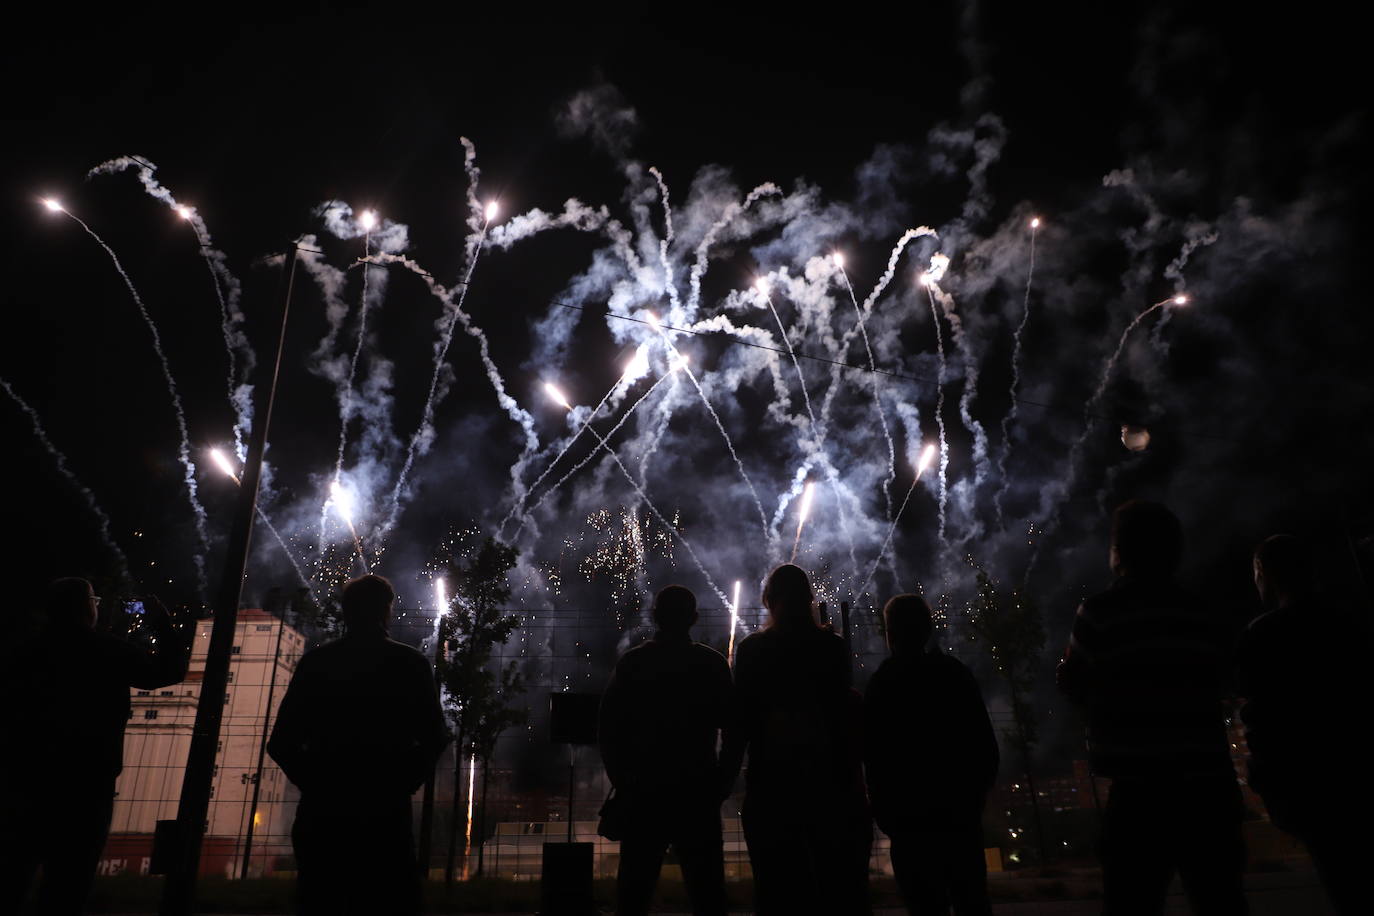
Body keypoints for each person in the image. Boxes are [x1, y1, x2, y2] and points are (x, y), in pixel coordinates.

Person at [1057, 500, 1247, 915]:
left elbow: (1071, 683)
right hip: (1208, 783)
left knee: (1132, 902)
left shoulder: (1100, 612)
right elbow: (1228, 678)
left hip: (1139, 788)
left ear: (1119, 552)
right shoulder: (1201, 610)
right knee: (1221, 900)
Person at [0, 578, 192, 915]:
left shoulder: (24, 651)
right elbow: (167, 671)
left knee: (12, 878)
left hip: (23, 783)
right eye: (95, 599)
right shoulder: (107, 650)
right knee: (67, 887)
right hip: (87, 786)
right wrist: (161, 622)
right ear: (86, 605)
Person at [268, 574, 450, 916]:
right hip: (384, 818)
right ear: (387, 612)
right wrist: (400, 783)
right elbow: (435, 738)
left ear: (346, 612)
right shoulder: (409, 664)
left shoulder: (317, 663)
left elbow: (281, 743)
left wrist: (319, 784)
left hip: (324, 819)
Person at [721, 564, 870, 915]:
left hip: (772, 782)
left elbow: (740, 721)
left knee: (776, 889)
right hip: (829, 782)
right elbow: (842, 716)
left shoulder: (753, 650)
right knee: (837, 889)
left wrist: (724, 778)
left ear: (769, 600)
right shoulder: (831, 647)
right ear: (809, 599)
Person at [1237, 534, 1370, 915]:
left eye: (1256, 573)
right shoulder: (1349, 623)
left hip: (1312, 786)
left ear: (1264, 574)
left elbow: (1261, 716)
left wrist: (1266, 781)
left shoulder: (1263, 635)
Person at [598, 584, 735, 916]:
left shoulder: (634, 664)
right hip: (698, 789)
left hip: (645, 791)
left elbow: (608, 730)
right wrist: (722, 784)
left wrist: (624, 782)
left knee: (634, 893)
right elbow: (735, 729)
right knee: (708, 895)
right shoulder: (712, 664)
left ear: (655, 616)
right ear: (694, 618)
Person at [865, 593, 998, 916]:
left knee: (925, 905)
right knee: (972, 901)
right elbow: (985, 747)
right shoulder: (955, 675)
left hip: (909, 823)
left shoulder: (883, 684)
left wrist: (887, 815)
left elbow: (875, 758)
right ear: (927, 630)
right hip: (958, 816)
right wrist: (973, 799)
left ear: (890, 634)